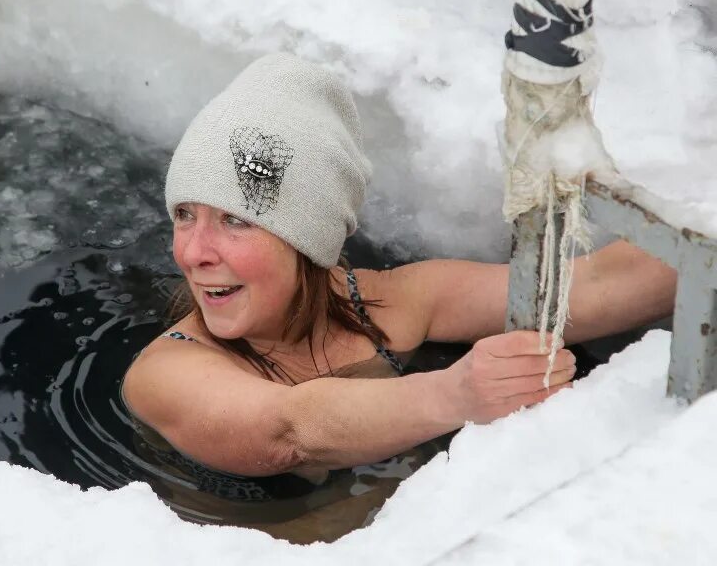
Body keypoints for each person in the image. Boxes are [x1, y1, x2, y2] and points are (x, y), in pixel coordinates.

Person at [121, 53, 676, 482]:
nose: (192, 252)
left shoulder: (398, 302)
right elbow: (287, 429)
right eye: (185, 215)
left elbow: (600, 286)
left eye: (235, 221)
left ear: (306, 235)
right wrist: (455, 395)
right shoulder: (166, 373)